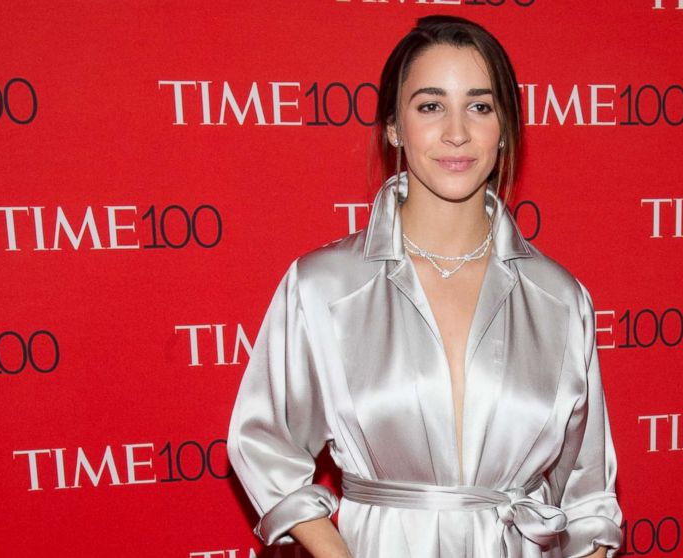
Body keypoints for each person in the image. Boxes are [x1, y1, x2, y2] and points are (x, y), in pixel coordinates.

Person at [226, 15, 622, 558]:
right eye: (430, 105)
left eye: (480, 106)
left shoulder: (559, 299)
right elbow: (262, 441)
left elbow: (588, 494)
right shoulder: (323, 286)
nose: (456, 132)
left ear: (504, 128)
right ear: (394, 126)